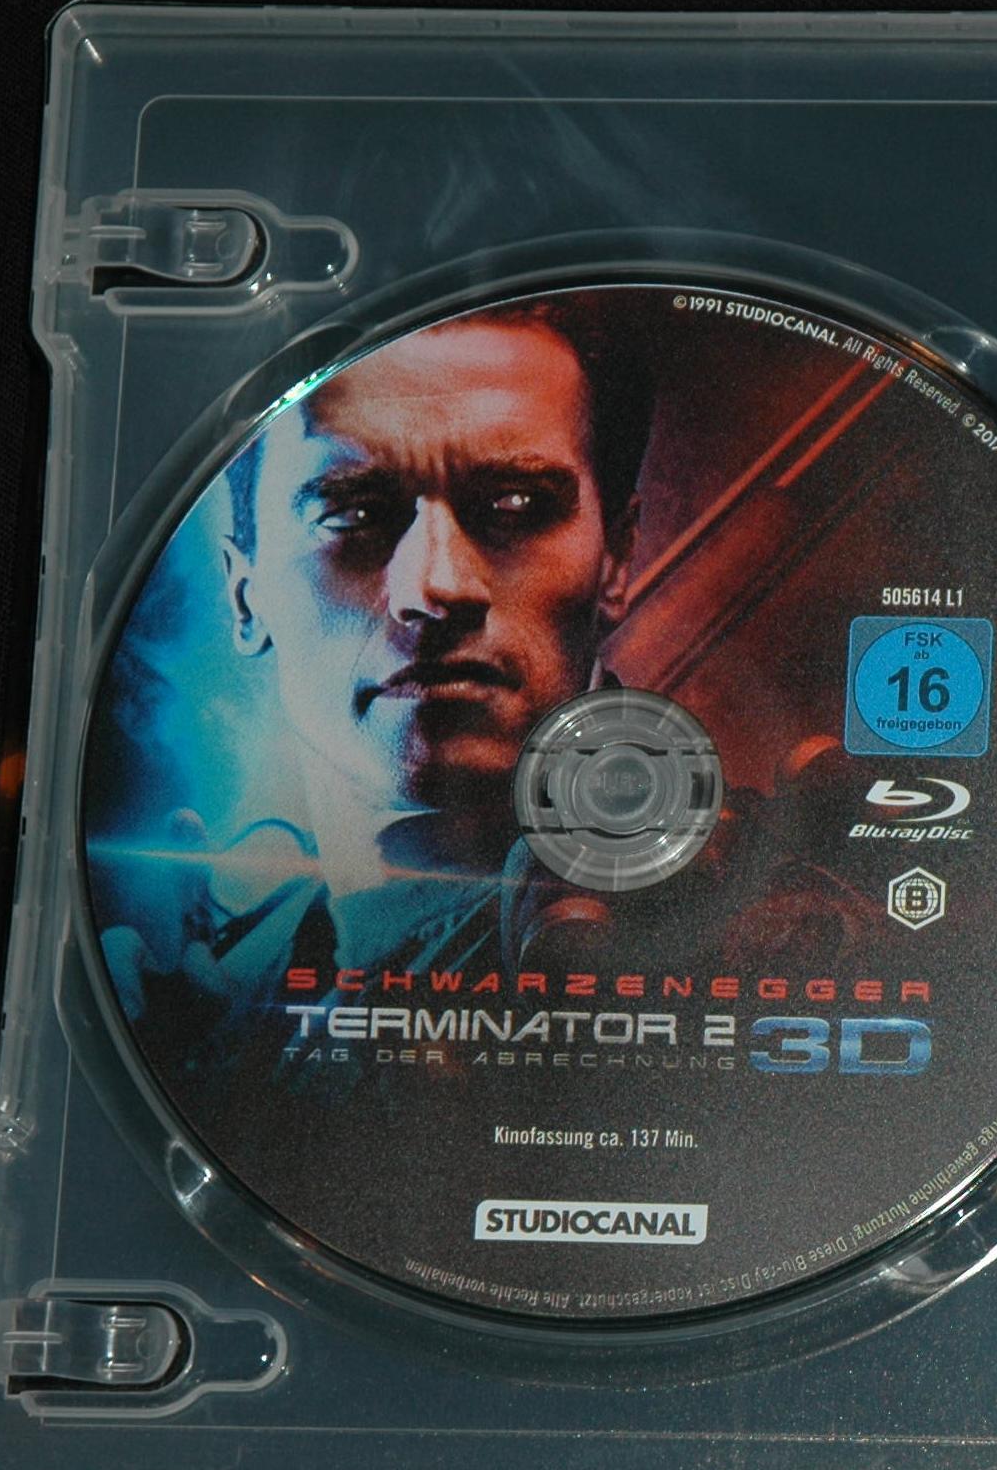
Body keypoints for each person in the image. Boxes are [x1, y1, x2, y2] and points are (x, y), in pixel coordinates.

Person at [96, 297, 864, 1076]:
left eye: (516, 505)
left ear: (618, 556)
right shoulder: (228, 992)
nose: (435, 587)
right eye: (353, 512)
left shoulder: (774, 917)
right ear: (244, 595)